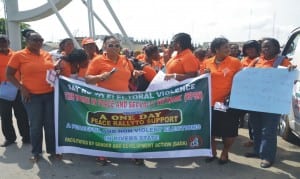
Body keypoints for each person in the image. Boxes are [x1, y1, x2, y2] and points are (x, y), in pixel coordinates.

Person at [85, 35, 144, 165]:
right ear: (104, 46)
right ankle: (102, 154)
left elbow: (130, 73)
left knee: (127, 127)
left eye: (117, 45)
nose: (114, 48)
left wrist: (135, 74)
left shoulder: (125, 59)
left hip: (124, 99)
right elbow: (88, 79)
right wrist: (101, 76)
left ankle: (132, 153)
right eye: (110, 45)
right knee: (106, 128)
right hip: (105, 100)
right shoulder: (97, 60)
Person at [6, 29, 60, 162]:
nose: (38, 42)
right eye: (34, 40)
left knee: (50, 125)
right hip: (31, 96)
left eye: (40, 40)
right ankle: (36, 153)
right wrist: (21, 87)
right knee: (36, 125)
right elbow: (9, 74)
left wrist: (56, 71)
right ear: (27, 41)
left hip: (49, 94)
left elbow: (50, 72)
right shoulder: (19, 55)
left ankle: (52, 151)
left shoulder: (46, 54)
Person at [244, 37, 294, 168]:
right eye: (264, 47)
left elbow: (291, 77)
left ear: (276, 49)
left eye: (269, 47)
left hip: (272, 102)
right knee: (256, 128)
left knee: (269, 131)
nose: (265, 49)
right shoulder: (256, 60)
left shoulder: (282, 61)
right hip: (255, 101)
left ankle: (267, 157)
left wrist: (291, 70)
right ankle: (257, 151)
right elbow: (246, 75)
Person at [203, 37, 242, 165]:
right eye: (225, 47)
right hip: (210, 103)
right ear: (216, 49)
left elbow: (242, 81)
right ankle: (212, 152)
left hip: (228, 104)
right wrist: (203, 73)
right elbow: (200, 79)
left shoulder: (235, 62)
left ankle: (225, 152)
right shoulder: (207, 62)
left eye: (228, 47)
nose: (228, 49)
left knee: (229, 131)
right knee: (211, 130)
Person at [0, 35, 30, 147]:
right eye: (0, 42)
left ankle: (27, 137)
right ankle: (10, 138)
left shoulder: (16, 55)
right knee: (5, 115)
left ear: (9, 42)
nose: (2, 44)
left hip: (18, 88)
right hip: (3, 90)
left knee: (22, 114)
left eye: (4, 42)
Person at [240, 40, 261, 147]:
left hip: (264, 95)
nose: (250, 50)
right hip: (248, 95)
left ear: (258, 48)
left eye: (252, 48)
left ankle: (261, 141)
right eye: (247, 48)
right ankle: (253, 140)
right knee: (251, 119)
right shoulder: (243, 61)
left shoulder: (264, 59)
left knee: (261, 119)